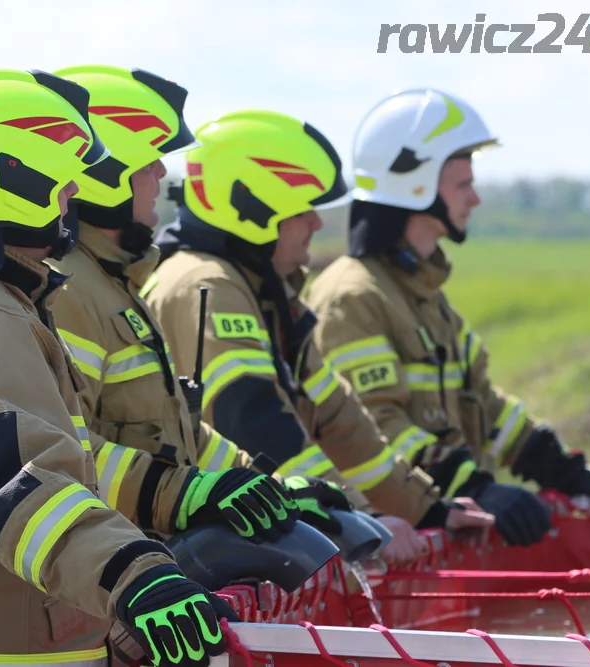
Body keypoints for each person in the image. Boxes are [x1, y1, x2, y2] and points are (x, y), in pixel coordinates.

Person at [0, 68, 238, 667]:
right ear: (9, 180)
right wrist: (136, 576)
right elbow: (20, 484)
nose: (71, 197)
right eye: (60, 181)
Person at [140, 109, 494, 561]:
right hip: (200, 554)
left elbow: (344, 424)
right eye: (301, 209)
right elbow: (254, 422)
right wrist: (353, 518)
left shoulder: (265, 291)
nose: (316, 224)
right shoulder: (205, 286)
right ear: (252, 208)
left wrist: (430, 510)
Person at [44, 64, 355, 560]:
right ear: (105, 176)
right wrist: (186, 494)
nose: (163, 175)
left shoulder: (115, 282)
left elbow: (178, 434)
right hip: (112, 584)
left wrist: (269, 485)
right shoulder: (72, 290)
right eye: (149, 163)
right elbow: (64, 452)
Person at [306, 88, 590, 548]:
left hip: (440, 534)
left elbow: (483, 405)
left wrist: (560, 468)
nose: (476, 199)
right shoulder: (352, 297)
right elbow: (373, 429)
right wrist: (474, 487)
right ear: (415, 186)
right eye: (463, 185)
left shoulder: (422, 296)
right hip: (396, 547)